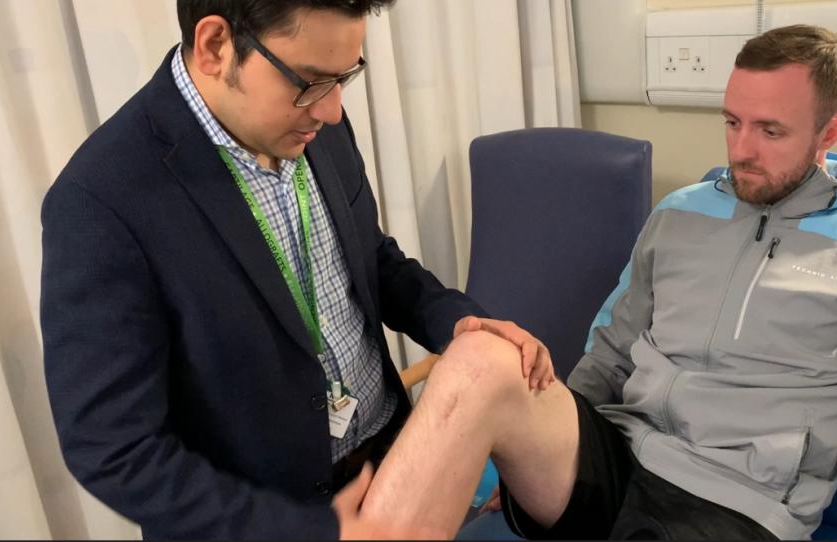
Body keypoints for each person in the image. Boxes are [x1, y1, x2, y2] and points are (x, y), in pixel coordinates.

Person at [341, 24, 837, 540]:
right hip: (616, 452)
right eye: (732, 122)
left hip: (736, 501)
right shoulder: (681, 214)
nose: (741, 150)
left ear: (830, 135)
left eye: (770, 131)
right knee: (479, 355)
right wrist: (542, 444)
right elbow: (609, 348)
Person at [39, 0, 554, 539]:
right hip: (266, 518)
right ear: (215, 46)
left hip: (392, 458)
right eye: (309, 82)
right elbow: (114, 447)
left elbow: (372, 259)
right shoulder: (100, 203)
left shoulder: (313, 116)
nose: (331, 110)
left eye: (344, 78)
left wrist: (461, 324)